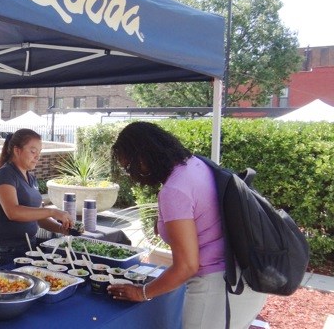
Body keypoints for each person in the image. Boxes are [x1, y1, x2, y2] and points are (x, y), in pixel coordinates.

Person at [107, 122, 266, 329]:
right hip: (243, 281)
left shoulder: (174, 190)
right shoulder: (196, 165)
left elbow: (187, 266)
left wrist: (141, 293)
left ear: (144, 157)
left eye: (129, 167)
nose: (131, 174)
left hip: (217, 289)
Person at [0, 129, 73, 266]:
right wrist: (53, 211)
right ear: (17, 150)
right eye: (33, 151)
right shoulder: (5, 174)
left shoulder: (31, 178)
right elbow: (13, 212)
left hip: (28, 247)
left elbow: (38, 217)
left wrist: (61, 229)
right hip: (4, 250)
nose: (37, 157)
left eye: (39, 152)